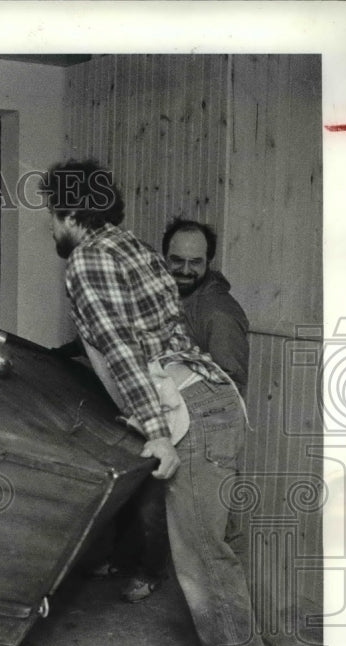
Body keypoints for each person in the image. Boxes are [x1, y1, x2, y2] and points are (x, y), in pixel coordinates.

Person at [41, 159, 284, 646]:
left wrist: (154, 430)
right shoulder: (135, 247)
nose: (50, 227)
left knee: (204, 567)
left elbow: (122, 353)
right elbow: (162, 333)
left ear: (72, 213)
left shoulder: (87, 260)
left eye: (52, 213)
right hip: (218, 401)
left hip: (187, 414)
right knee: (230, 550)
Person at [104, 218, 251, 603]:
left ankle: (150, 574)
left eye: (195, 262)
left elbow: (228, 381)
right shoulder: (160, 294)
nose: (185, 270)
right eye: (177, 259)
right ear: (163, 256)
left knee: (159, 508)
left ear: (209, 263)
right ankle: (123, 559)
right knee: (134, 493)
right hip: (158, 414)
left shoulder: (219, 312)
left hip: (199, 429)